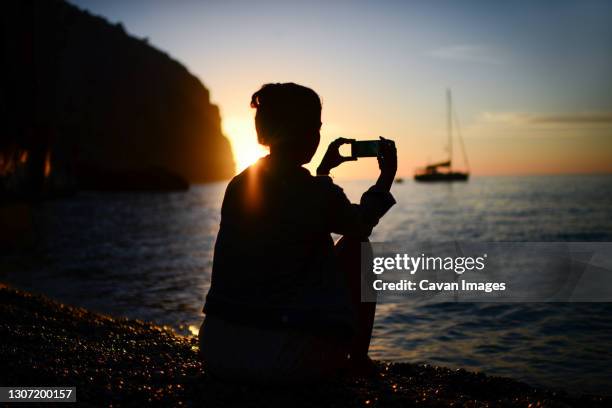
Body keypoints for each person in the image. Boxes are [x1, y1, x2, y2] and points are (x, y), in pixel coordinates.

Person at [199, 83, 397, 384]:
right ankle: (357, 360)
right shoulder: (317, 193)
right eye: (316, 127)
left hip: (217, 351)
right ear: (308, 133)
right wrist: (385, 179)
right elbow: (360, 224)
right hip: (284, 359)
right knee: (358, 247)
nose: (318, 135)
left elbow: (297, 214)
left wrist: (322, 174)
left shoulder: (239, 185)